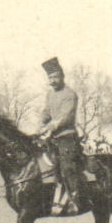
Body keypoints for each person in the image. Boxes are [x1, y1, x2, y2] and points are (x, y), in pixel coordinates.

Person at [37, 57, 86, 210]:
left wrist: (51, 126)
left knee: (66, 168)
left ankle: (75, 197)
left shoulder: (69, 94)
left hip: (67, 137)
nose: (52, 80)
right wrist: (40, 124)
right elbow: (46, 111)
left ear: (62, 76)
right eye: (49, 77)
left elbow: (66, 116)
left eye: (55, 77)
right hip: (53, 138)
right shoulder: (50, 94)